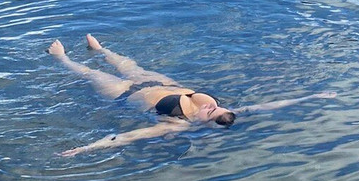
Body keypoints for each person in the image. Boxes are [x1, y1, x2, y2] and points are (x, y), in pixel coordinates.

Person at [48, 35, 335, 157]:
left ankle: (61, 58)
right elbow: (270, 105)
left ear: (205, 125)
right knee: (127, 63)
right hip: (160, 83)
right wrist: (312, 97)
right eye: (216, 106)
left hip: (125, 94)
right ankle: (100, 49)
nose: (211, 105)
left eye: (210, 112)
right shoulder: (221, 110)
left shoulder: (174, 125)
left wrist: (85, 149)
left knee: (90, 75)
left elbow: (125, 138)